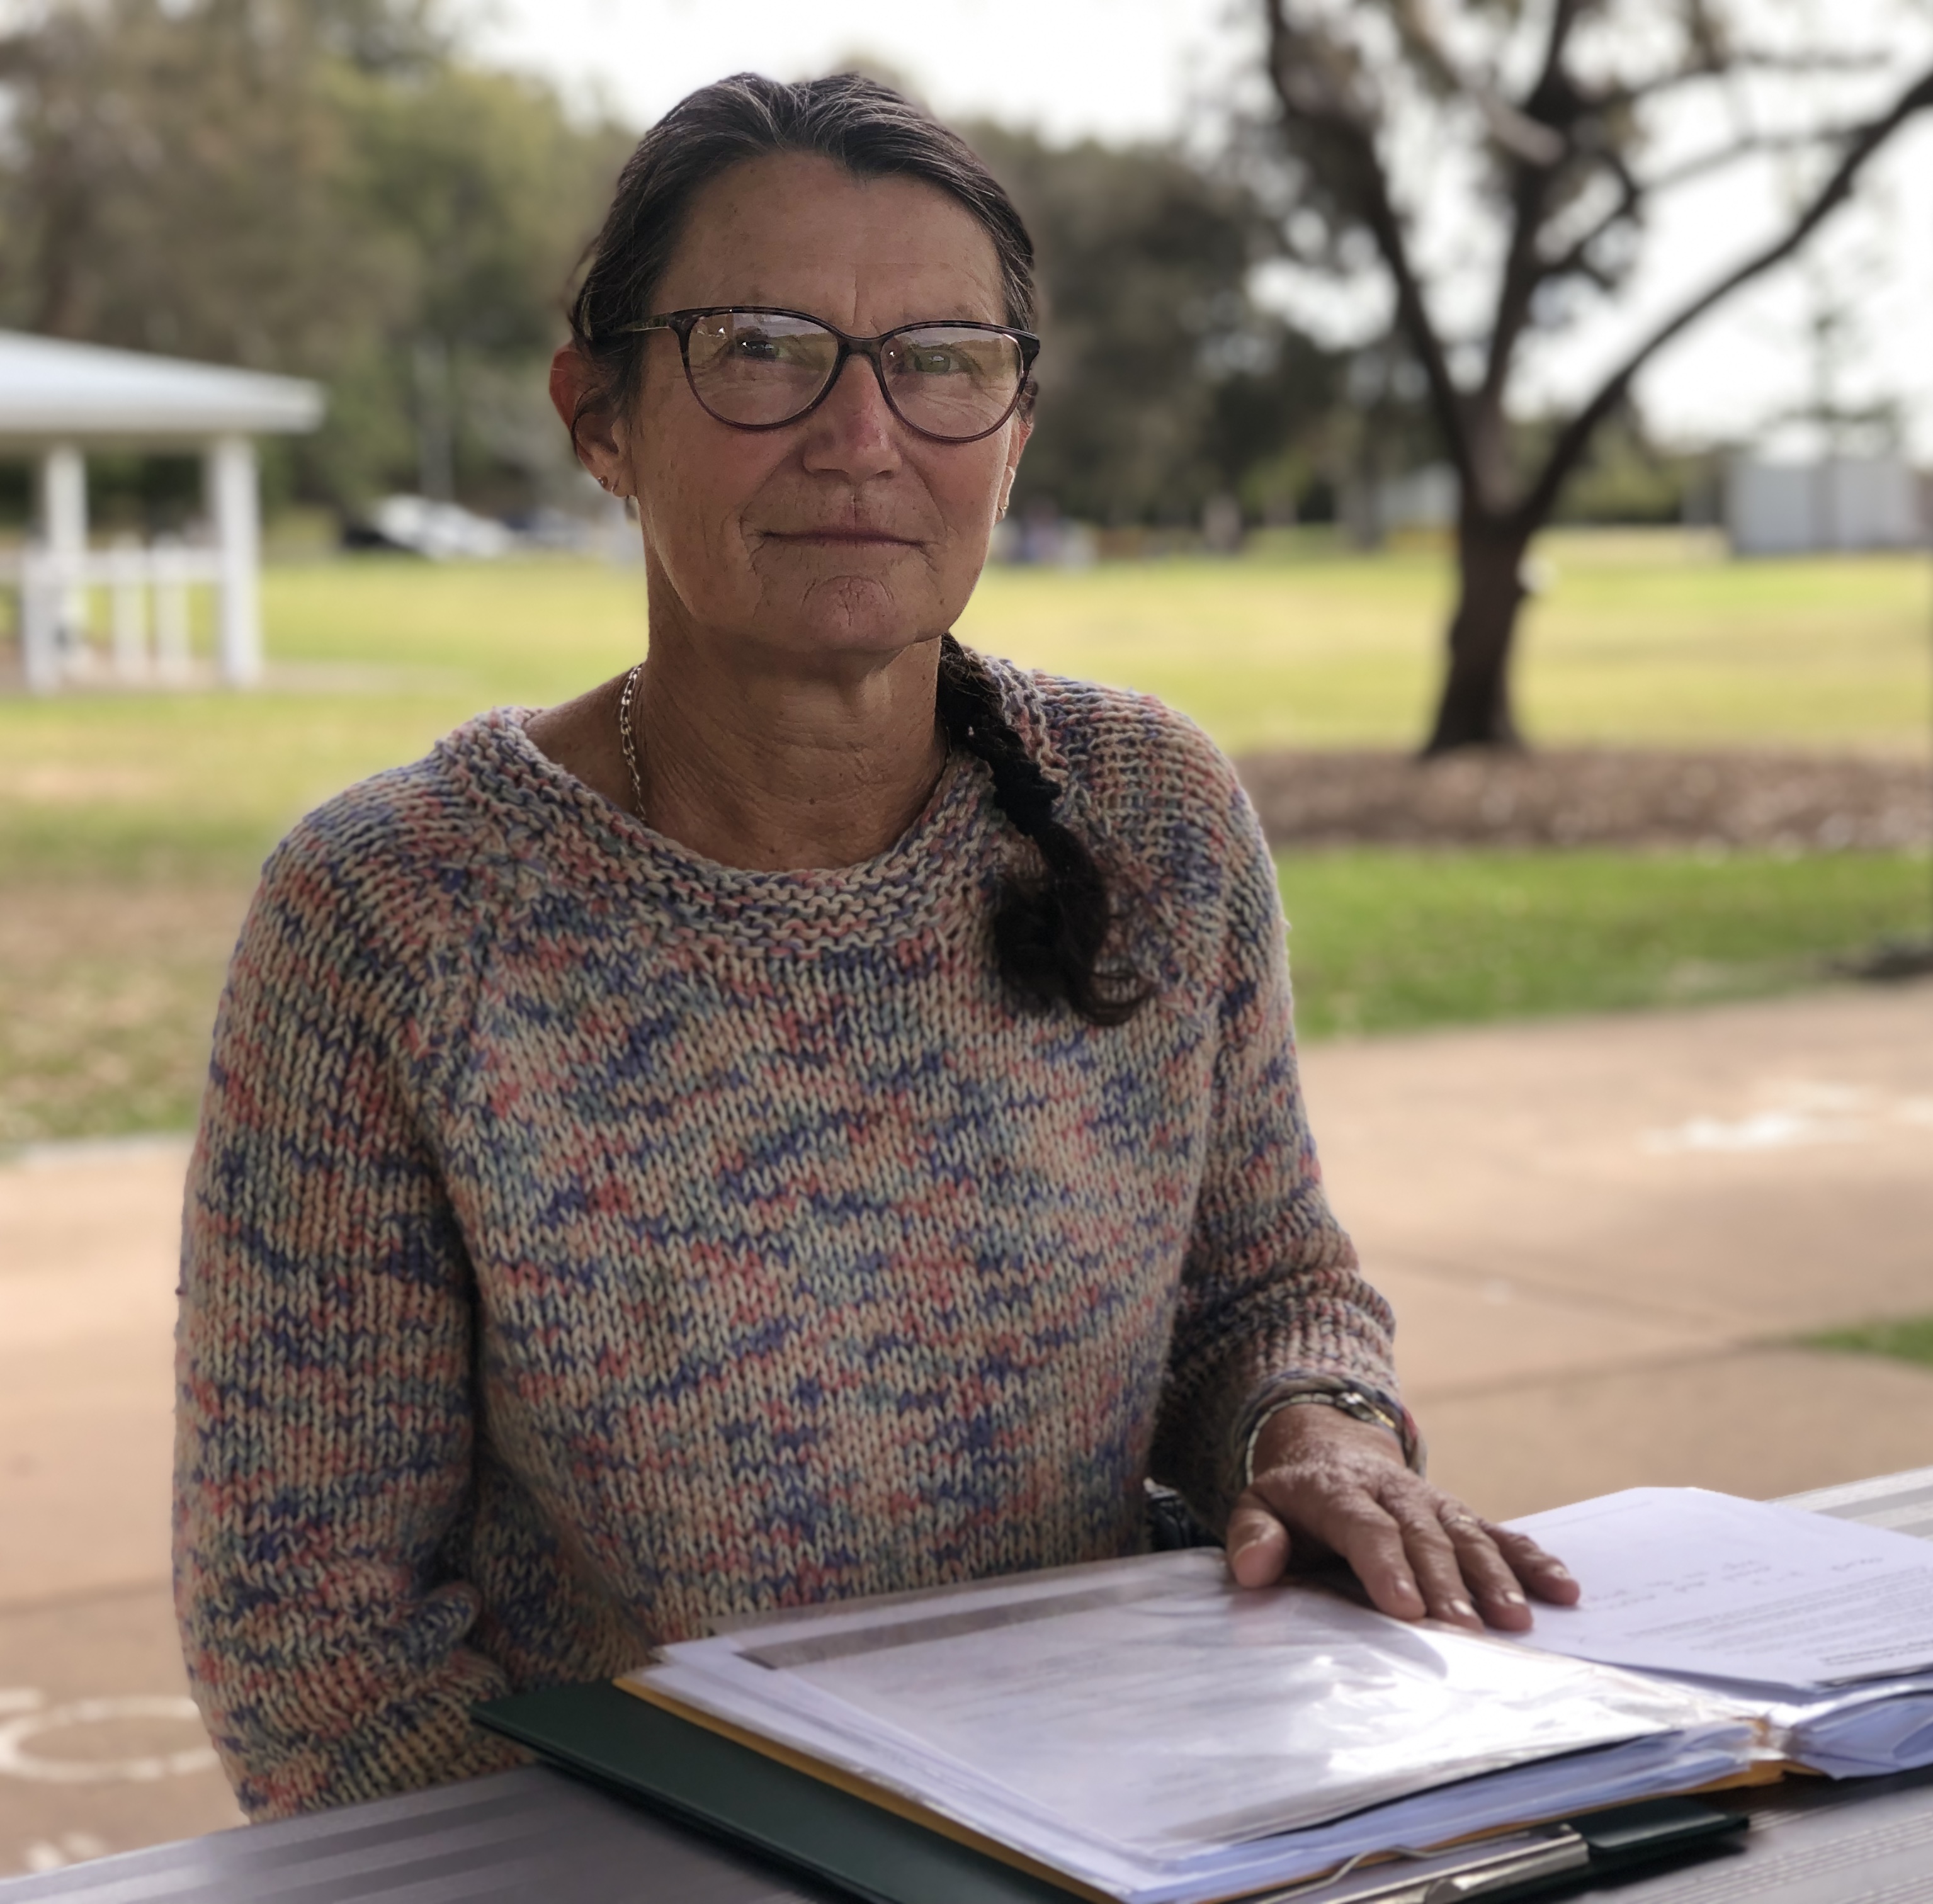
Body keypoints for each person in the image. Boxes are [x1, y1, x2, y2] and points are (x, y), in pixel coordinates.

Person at [174, 70, 1574, 1822]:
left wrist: (1317, 1435)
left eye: (942, 361)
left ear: (1016, 427)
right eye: (762, 349)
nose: (862, 435)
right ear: (595, 416)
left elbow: (1262, 1296)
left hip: (1140, 1817)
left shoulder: (1147, 812)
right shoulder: (396, 916)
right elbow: (313, 1651)